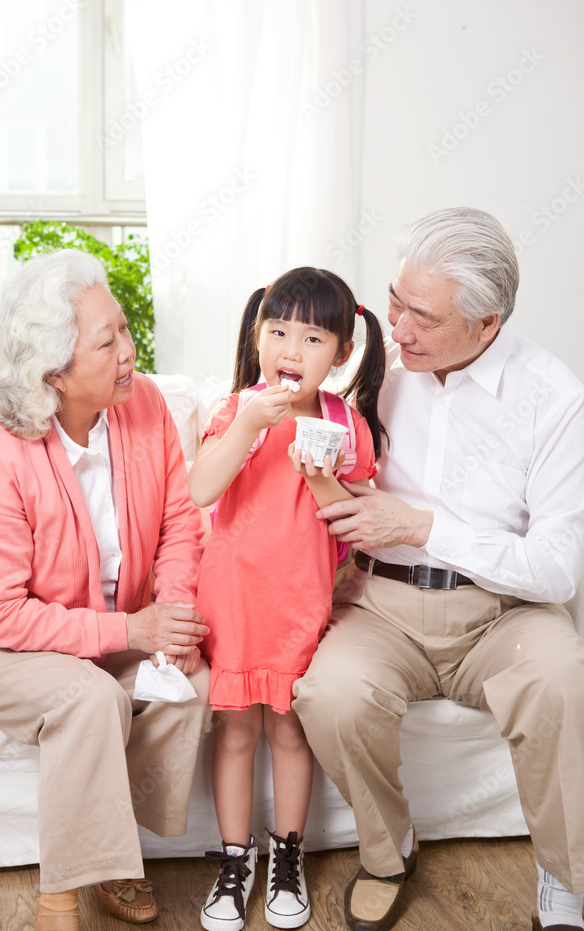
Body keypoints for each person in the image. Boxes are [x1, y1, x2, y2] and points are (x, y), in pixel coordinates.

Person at [292, 207, 584, 931]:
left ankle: (565, 875)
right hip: (383, 605)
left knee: (561, 679)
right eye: (393, 300)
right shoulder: (377, 367)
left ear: (485, 325)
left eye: (421, 316)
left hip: (503, 613)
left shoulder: (552, 398)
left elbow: (556, 570)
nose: (397, 328)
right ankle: (388, 853)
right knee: (329, 693)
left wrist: (425, 527)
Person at [0, 249, 211, 931]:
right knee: (90, 697)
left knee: (193, 680)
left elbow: (176, 522)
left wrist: (169, 614)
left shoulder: (143, 408)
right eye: (108, 342)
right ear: (52, 370)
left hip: (100, 626)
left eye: (126, 331)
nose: (130, 352)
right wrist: (129, 633)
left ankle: (110, 848)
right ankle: (62, 899)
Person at [188, 267, 386, 931]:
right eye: (277, 332)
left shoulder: (344, 424)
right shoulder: (236, 408)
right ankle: (233, 859)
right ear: (257, 334)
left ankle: (287, 855)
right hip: (234, 604)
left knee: (289, 730)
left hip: (301, 606)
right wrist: (247, 426)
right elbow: (200, 490)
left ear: (340, 354)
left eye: (311, 338)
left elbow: (352, 526)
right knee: (237, 730)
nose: (290, 351)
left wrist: (323, 480)